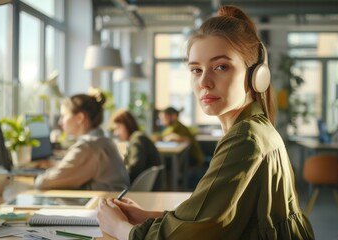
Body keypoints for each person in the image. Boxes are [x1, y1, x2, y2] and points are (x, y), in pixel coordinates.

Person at [97, 5, 314, 240]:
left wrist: (120, 228)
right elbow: (215, 218)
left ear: (256, 75)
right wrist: (147, 217)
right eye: (196, 70)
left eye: (221, 67)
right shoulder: (255, 127)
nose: (204, 82)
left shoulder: (246, 137)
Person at [34, 92, 130, 191]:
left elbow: (43, 183)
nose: (60, 122)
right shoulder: (102, 141)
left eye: (63, 116)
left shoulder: (88, 147)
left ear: (80, 118)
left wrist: (40, 174)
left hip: (100, 203)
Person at [109, 109, 161, 185]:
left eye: (118, 128)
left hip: (141, 187)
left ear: (127, 124)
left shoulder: (137, 139)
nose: (116, 133)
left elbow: (134, 169)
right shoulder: (137, 138)